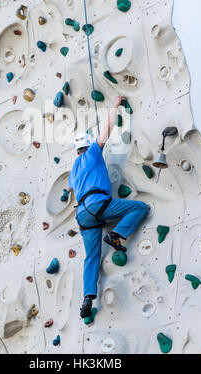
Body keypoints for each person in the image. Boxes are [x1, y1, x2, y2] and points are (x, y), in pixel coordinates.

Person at [65, 96, 149, 318]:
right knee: (139, 208)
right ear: (88, 145)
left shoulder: (73, 170)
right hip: (98, 204)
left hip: (83, 216)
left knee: (91, 257)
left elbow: (70, 191)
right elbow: (107, 129)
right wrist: (116, 104)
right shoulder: (93, 151)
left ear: (76, 150)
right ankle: (116, 234)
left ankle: (87, 299)